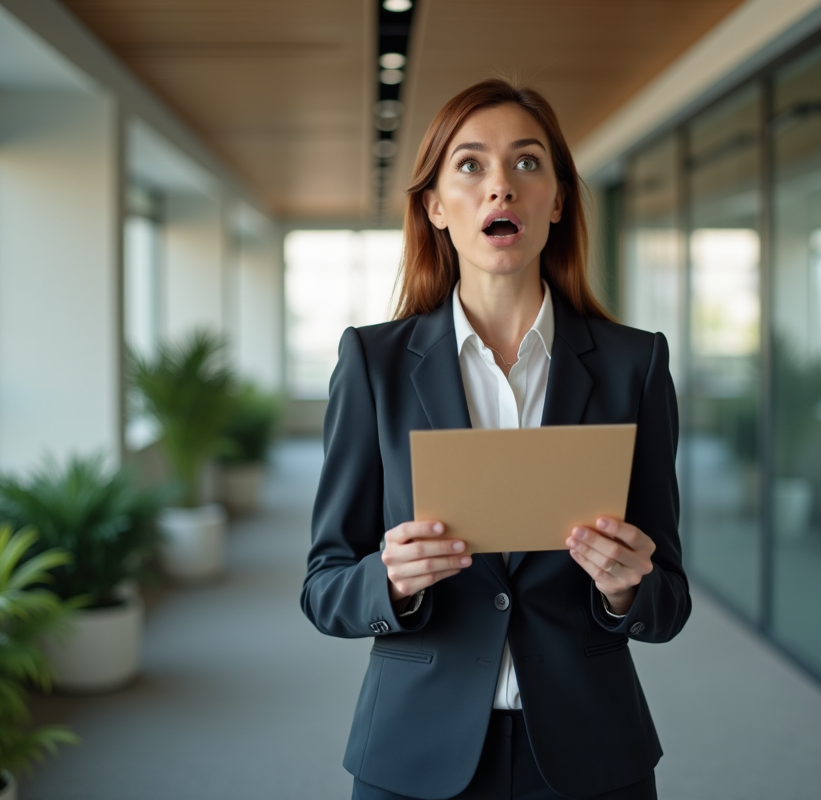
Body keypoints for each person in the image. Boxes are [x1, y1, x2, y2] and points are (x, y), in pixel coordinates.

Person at [301, 79, 691, 800]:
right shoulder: (372, 362)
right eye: (471, 165)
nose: (501, 188)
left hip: (592, 749)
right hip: (414, 750)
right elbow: (324, 587)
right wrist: (390, 580)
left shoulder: (635, 365)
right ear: (435, 205)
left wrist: (626, 588)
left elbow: (669, 600)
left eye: (527, 163)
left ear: (560, 200)